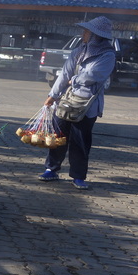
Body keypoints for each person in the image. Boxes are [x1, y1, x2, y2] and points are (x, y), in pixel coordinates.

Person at [38, 16, 115, 190]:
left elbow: (94, 75)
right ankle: (51, 169)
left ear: (96, 35)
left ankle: (78, 176)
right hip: (66, 102)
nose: (83, 34)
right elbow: (64, 74)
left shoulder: (107, 55)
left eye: (86, 31)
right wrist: (53, 95)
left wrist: (74, 79)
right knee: (57, 137)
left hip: (87, 106)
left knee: (80, 142)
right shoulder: (79, 51)